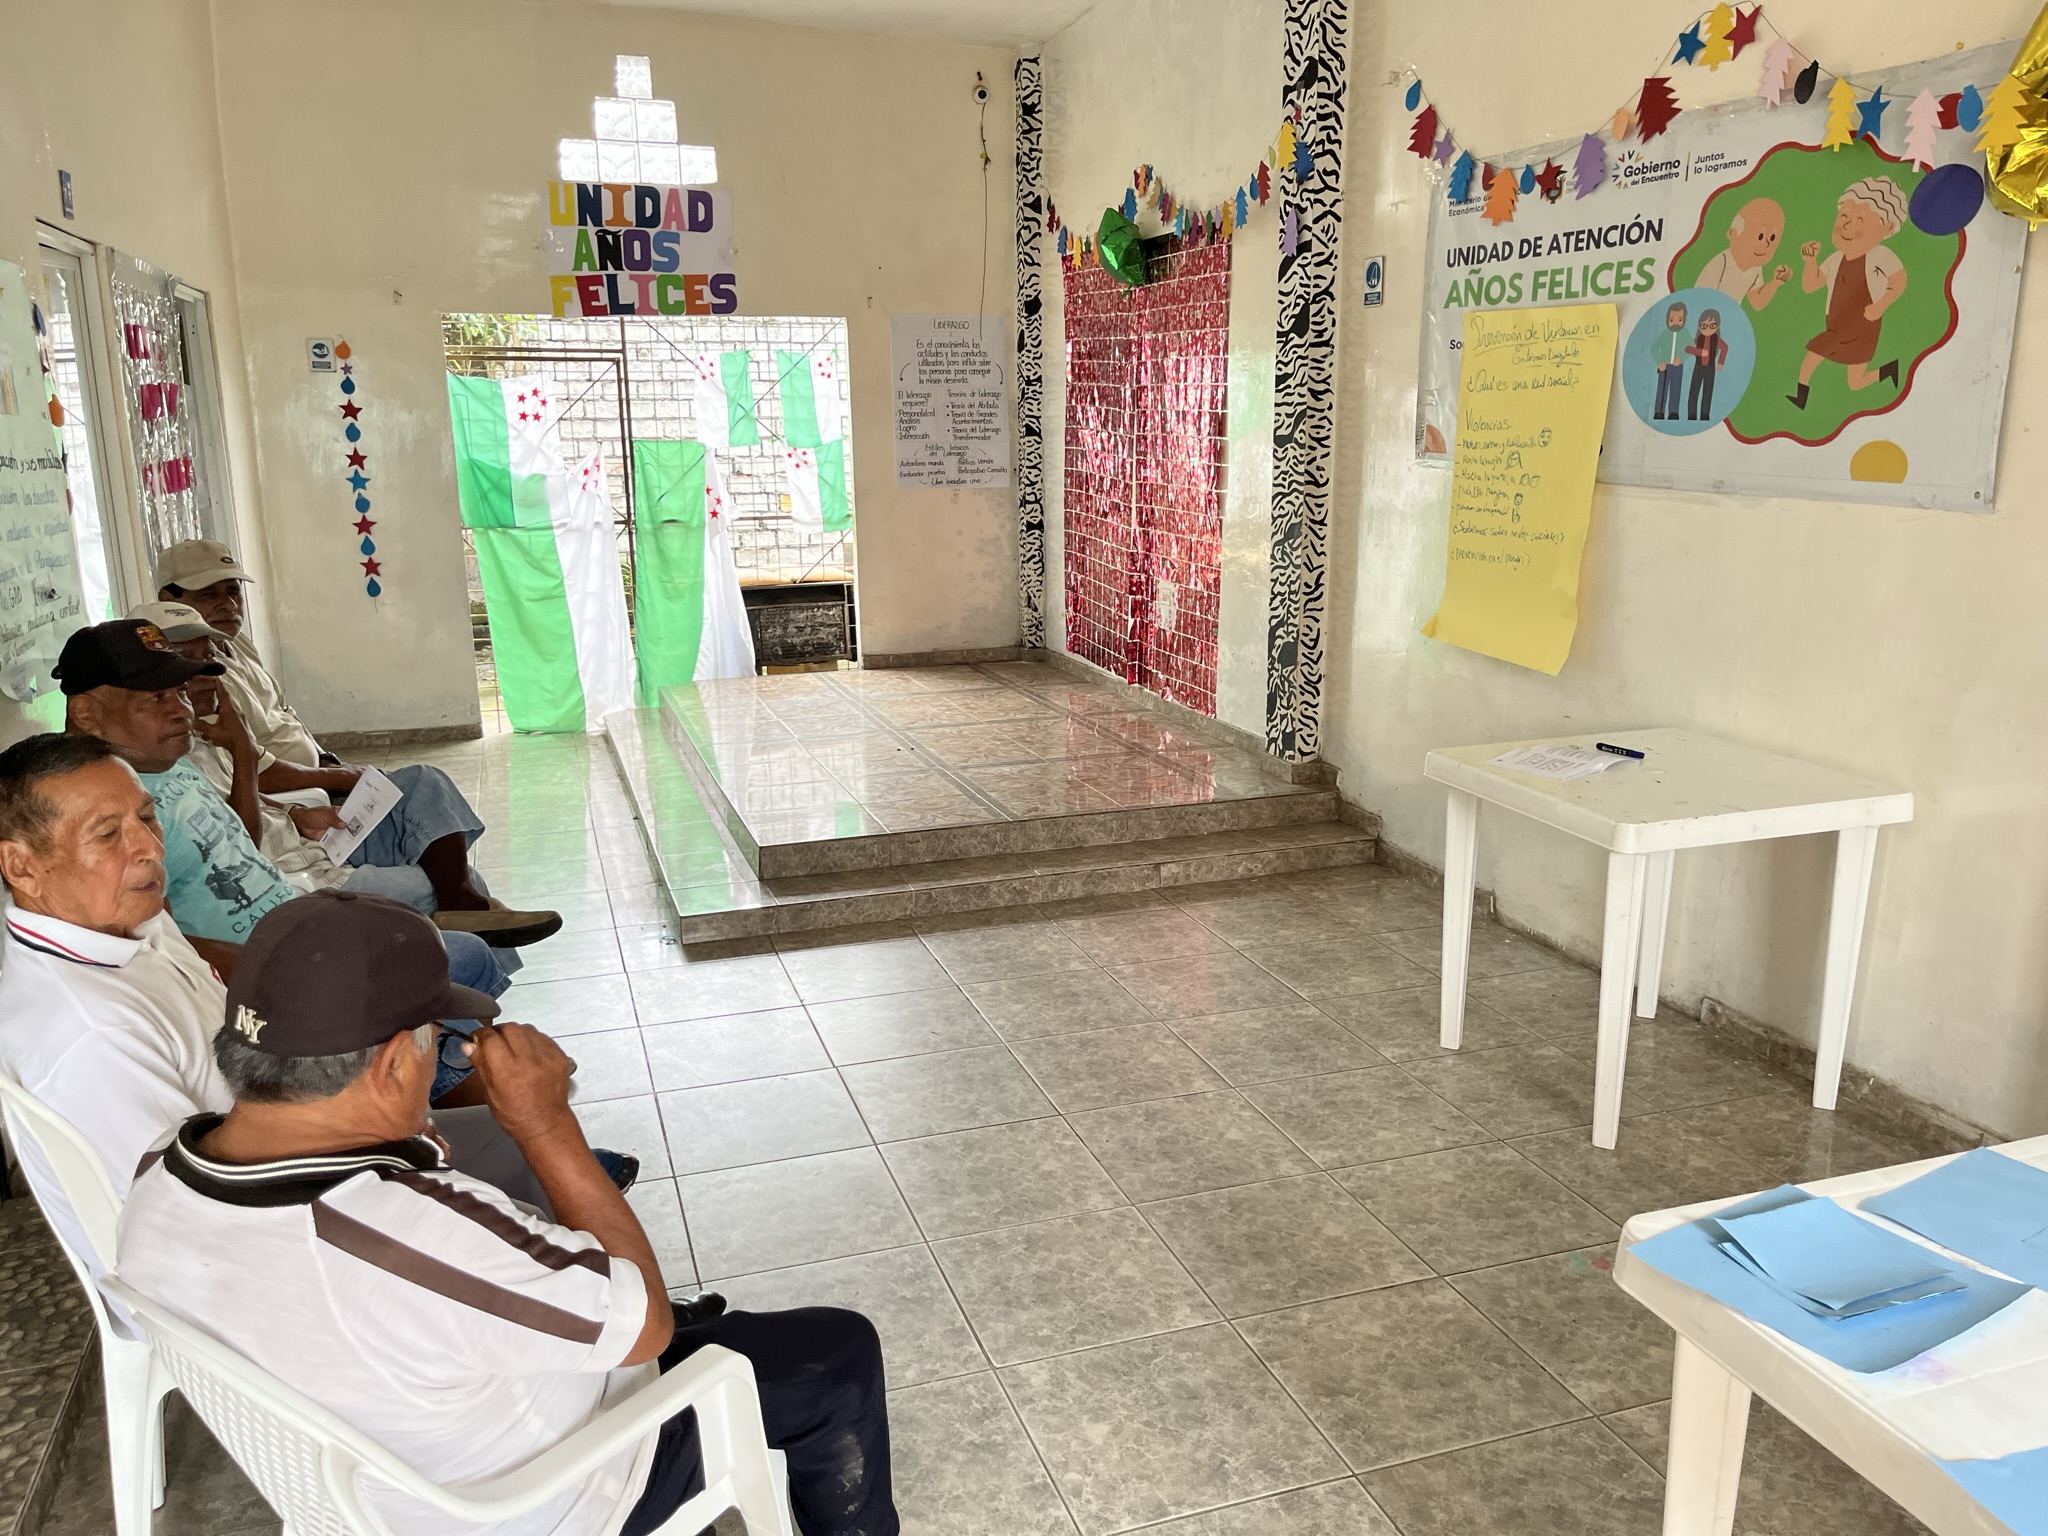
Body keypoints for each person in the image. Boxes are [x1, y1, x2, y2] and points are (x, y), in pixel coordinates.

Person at [116, 894, 898, 1536]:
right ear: (390, 1064)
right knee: (834, 1352)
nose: (441, 1056)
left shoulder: (159, 1172)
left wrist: (404, 1135)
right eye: (434, 1041)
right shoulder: (404, 1230)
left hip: (373, 1480)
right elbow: (645, 1328)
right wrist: (546, 1125)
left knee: (703, 1321)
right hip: (545, 1498)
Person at [0, 735, 553, 1273]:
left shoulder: (121, 924)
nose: (150, 847)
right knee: (540, 1168)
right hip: (287, 1232)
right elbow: (194, 1221)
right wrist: (366, 1138)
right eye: (107, 835)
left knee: (520, 1138)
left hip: (309, 1141)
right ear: (21, 866)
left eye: (147, 817)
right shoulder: (88, 1034)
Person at [58, 618, 558, 946]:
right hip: (287, 927)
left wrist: (290, 809)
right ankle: (463, 1047)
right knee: (459, 937)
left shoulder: (171, 762)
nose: (183, 710)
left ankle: (466, 1043)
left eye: (181, 694)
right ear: (87, 713)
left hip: (298, 890)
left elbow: (237, 836)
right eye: (157, 699)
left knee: (429, 811)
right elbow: (162, 942)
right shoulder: (106, 806)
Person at [1789, 176, 1910, 409]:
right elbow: (1811, 285)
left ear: (1887, 228)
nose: (1846, 225)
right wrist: (1810, 262)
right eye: (1844, 216)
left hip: (1863, 325)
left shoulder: (1880, 256)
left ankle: (1887, 371)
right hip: (1837, 325)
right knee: (1814, 354)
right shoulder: (1836, 259)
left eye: (1860, 220)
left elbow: (1898, 281)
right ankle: (1801, 396)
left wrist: (1881, 305)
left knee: (1855, 382)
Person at [1695, 197, 1790, 311]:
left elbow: (1757, 302)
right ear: (1733, 234)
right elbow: (1700, 298)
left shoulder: (1755, 269)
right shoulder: (1722, 262)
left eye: (1772, 238)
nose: (1766, 244)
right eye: (1760, 236)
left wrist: (1775, 283)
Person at [1686, 308, 1730, 421]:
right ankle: (1691, 414)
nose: (1708, 329)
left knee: (1707, 391)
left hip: (1710, 367)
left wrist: (1720, 363)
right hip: (1698, 367)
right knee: (1694, 390)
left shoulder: (1716, 338)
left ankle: (1704, 414)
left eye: (1712, 325)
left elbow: (1725, 348)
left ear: (1717, 326)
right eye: (1704, 326)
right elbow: (1688, 348)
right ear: (1699, 326)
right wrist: (1700, 352)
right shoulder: (1698, 338)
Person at [1652, 301, 1689, 421]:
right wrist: (1660, 361)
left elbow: (1690, 348)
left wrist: (1681, 357)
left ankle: (1673, 411)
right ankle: (1659, 411)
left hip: (1678, 366)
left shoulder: (1684, 334)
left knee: (1675, 389)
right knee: (1662, 389)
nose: (1675, 323)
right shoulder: (1666, 334)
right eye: (1672, 320)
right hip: (1665, 366)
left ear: (1684, 320)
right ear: (1667, 320)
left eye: (1680, 319)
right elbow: (1655, 347)